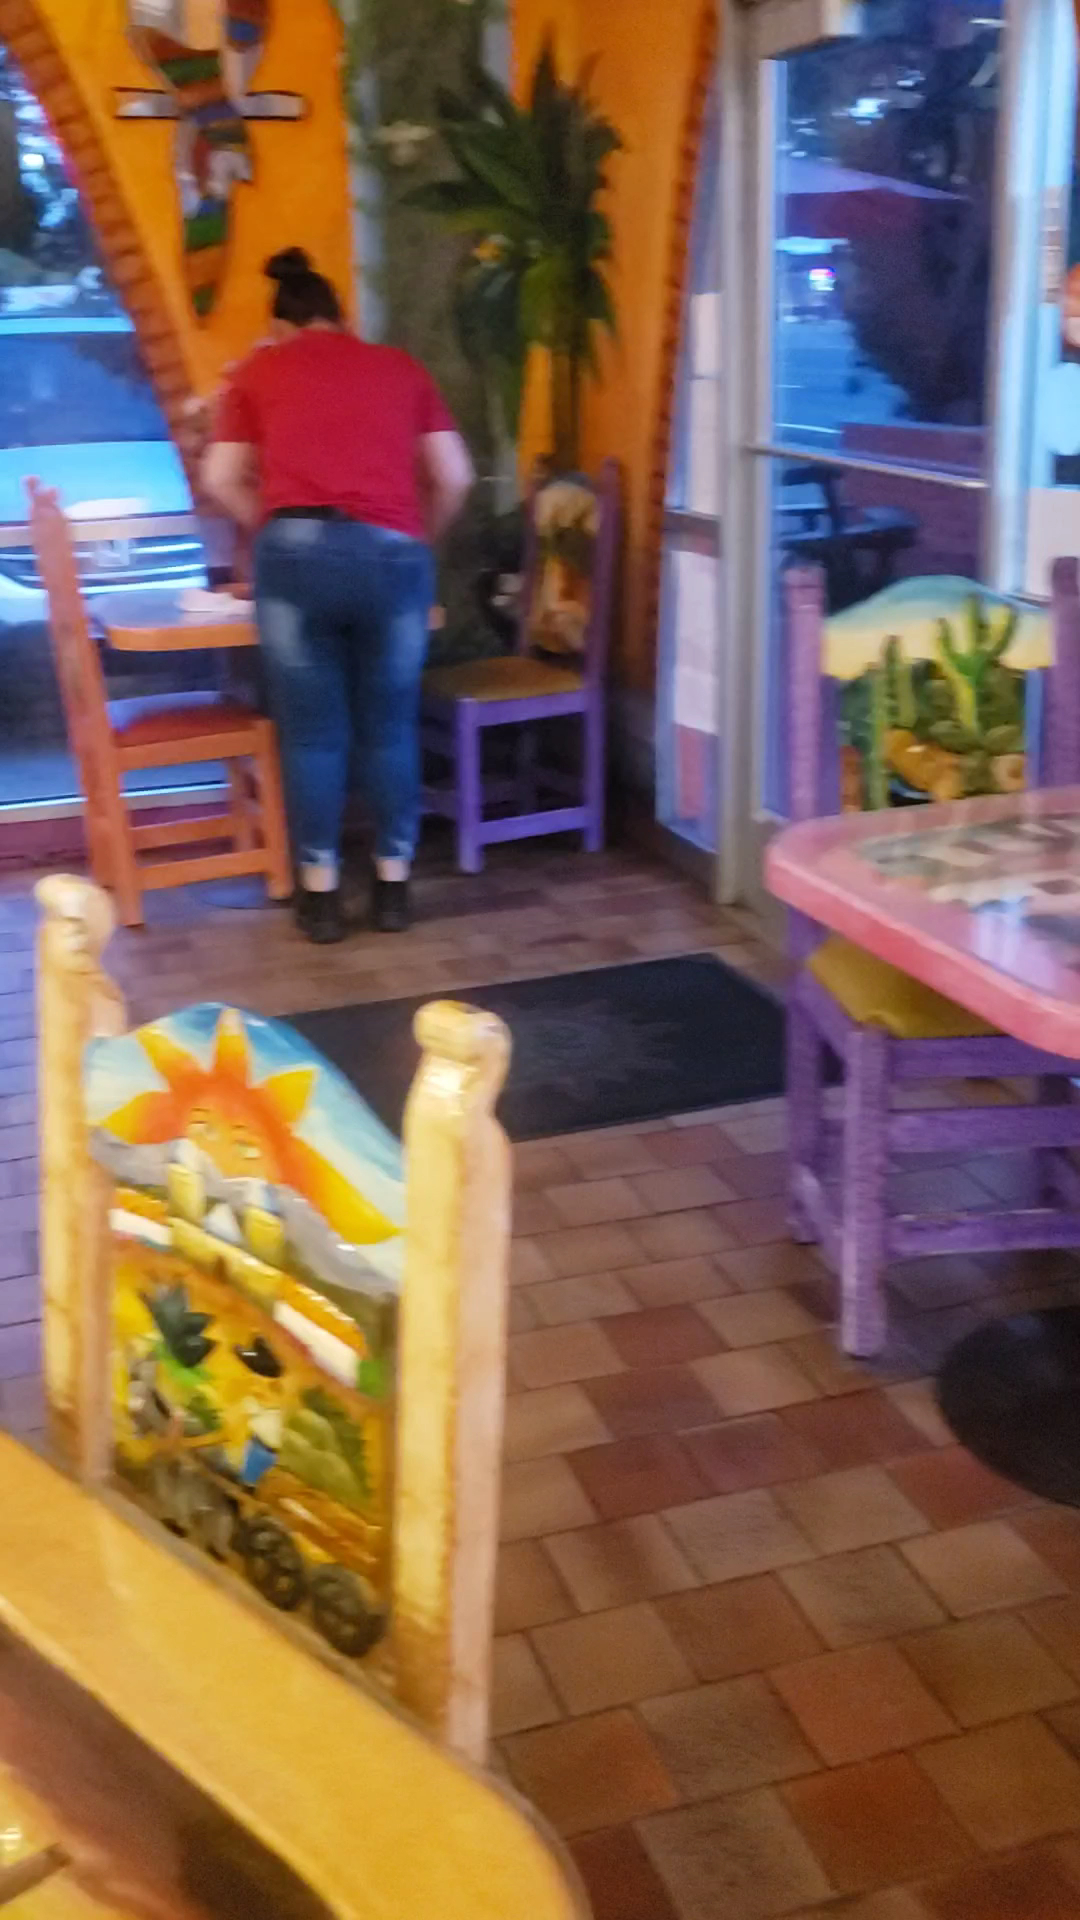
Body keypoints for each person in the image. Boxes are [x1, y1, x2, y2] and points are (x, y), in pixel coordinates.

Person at [202, 247, 474, 942]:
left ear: (280, 326)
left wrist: (269, 525)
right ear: (342, 318)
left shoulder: (259, 371)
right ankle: (393, 888)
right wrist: (417, 539)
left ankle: (320, 897)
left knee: (313, 736)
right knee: (391, 728)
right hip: (392, 557)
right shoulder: (399, 367)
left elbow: (220, 476)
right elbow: (456, 476)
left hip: (295, 561)